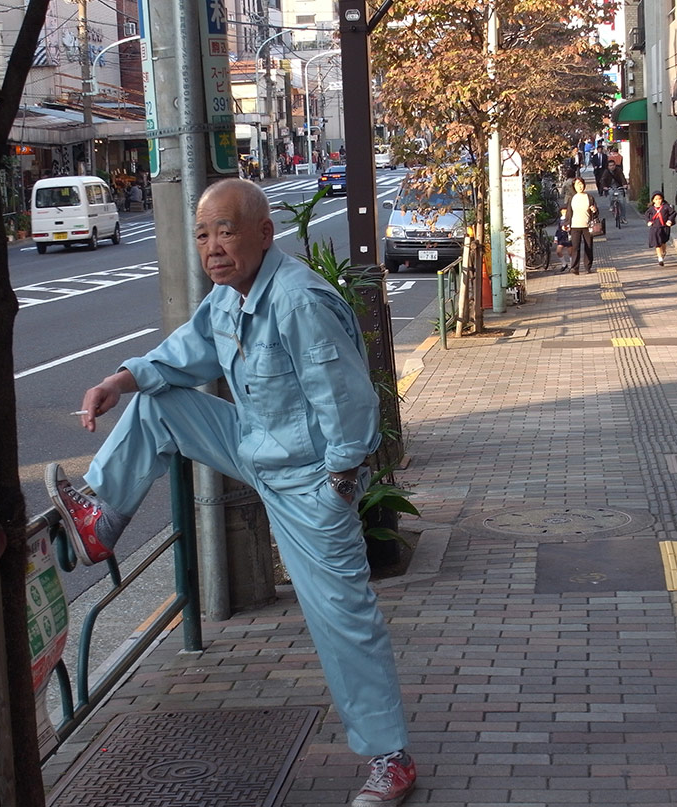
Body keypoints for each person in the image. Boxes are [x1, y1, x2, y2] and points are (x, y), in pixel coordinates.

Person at [45, 178, 416, 807]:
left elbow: (350, 407)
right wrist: (119, 380)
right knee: (157, 404)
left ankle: (390, 757)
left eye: (226, 230)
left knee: (342, 619)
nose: (213, 246)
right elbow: (184, 355)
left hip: (310, 482)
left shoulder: (298, 301)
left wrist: (338, 486)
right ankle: (98, 520)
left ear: (264, 234)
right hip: (256, 446)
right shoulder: (228, 298)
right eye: (202, 234)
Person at [560, 177, 598, 275]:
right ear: (574, 187)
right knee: (575, 247)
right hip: (575, 226)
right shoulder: (572, 198)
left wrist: (594, 210)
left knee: (588, 247)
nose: (579, 186)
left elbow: (595, 212)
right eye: (577, 184)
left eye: (581, 184)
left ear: (584, 185)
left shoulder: (589, 197)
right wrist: (566, 224)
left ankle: (588, 266)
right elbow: (569, 213)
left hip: (587, 226)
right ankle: (575, 267)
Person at [645, 192, 675, 267]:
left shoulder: (666, 207)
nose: (658, 201)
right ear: (653, 200)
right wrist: (649, 221)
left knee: (663, 242)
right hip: (655, 228)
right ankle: (660, 258)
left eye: (660, 199)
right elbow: (646, 215)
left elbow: (673, 213)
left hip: (664, 227)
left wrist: (670, 220)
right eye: (656, 199)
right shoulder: (651, 209)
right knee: (657, 243)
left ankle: (663, 252)